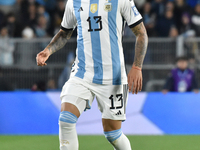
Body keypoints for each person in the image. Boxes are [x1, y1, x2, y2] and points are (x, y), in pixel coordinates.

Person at [36, 0, 148, 149]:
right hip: (82, 73)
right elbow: (64, 33)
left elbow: (141, 33)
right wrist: (48, 50)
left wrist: (137, 67)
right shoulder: (73, 2)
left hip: (113, 76)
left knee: (113, 134)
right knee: (66, 119)